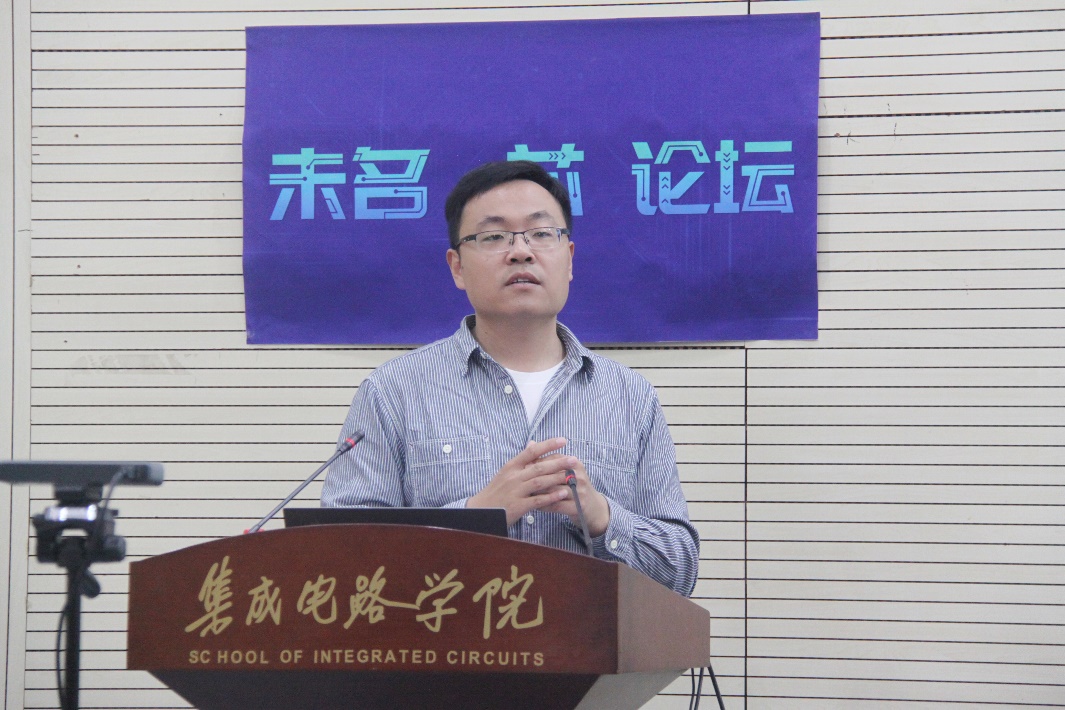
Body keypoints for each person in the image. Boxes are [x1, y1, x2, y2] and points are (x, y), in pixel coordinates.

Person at [321, 160, 699, 596]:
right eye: (494, 236)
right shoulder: (394, 392)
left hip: (589, 642)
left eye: (541, 233)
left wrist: (603, 519)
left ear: (569, 259)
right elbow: (340, 561)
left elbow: (679, 574)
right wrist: (477, 517)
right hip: (447, 639)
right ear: (457, 267)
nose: (521, 251)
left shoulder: (630, 398)